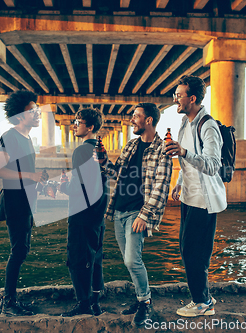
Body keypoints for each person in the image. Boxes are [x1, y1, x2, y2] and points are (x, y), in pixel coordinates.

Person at [100, 103, 172, 327]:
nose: (132, 119)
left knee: (133, 259)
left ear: (148, 120)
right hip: (119, 210)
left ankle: (145, 302)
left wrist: (145, 215)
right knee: (128, 260)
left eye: (136, 116)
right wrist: (103, 162)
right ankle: (141, 298)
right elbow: (117, 173)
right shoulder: (131, 145)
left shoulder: (163, 149)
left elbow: (161, 187)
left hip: (137, 213)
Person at [165, 75, 227, 317]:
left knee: (195, 252)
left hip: (205, 200)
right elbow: (186, 161)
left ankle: (203, 302)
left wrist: (183, 151)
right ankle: (202, 298)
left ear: (192, 98)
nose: (175, 99)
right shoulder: (184, 124)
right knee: (186, 249)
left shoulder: (208, 126)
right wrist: (180, 182)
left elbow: (212, 165)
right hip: (189, 196)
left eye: (179, 95)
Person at [0, 89, 46, 316]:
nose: (37, 113)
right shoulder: (10, 136)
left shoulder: (27, 139)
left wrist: (38, 180)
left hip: (26, 201)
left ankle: (12, 299)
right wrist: (30, 176)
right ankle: (8, 303)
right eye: (32, 110)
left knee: (23, 250)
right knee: (18, 250)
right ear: (19, 115)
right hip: (14, 200)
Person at [59, 108, 108, 317]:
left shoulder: (81, 150)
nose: (75, 124)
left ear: (90, 127)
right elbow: (101, 181)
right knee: (95, 256)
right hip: (98, 212)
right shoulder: (100, 150)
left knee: (78, 256)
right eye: (75, 121)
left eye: (79, 122)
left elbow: (82, 186)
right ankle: (95, 302)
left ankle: (83, 304)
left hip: (82, 212)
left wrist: (62, 188)